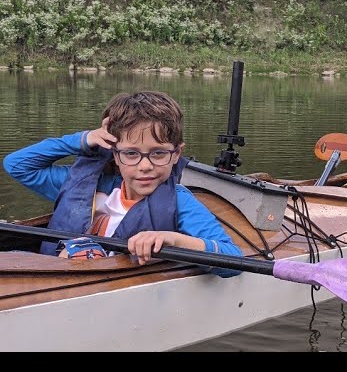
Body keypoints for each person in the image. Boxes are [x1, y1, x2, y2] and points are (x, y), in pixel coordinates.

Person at [3, 90, 243, 275]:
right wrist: (83, 139)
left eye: (158, 153)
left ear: (177, 154)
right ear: (115, 154)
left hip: (100, 285)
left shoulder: (179, 202)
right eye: (131, 153)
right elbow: (17, 165)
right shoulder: (87, 183)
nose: (145, 166)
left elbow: (234, 261)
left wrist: (172, 239)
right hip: (50, 273)